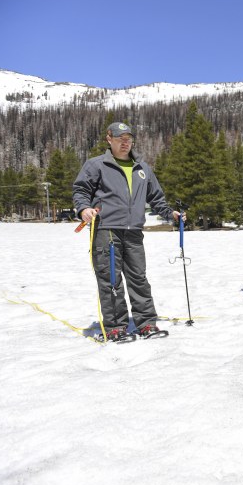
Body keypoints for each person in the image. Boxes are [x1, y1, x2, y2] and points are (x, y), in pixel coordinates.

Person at [72, 122, 183, 341]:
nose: (125, 143)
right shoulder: (96, 165)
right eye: (120, 138)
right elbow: (81, 190)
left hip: (134, 232)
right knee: (110, 278)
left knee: (138, 278)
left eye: (128, 139)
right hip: (106, 229)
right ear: (109, 139)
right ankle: (115, 326)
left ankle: (146, 323)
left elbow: (156, 198)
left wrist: (171, 214)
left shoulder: (142, 168)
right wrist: (83, 208)